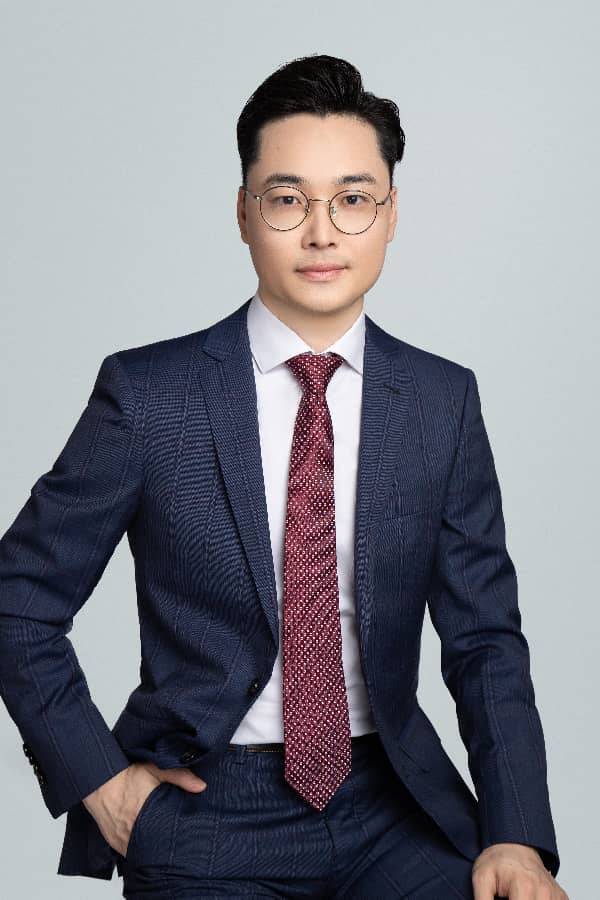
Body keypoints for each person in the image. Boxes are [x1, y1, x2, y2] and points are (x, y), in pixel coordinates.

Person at [0, 54, 567, 899]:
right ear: (243, 213)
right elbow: (18, 600)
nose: (322, 233)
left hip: (394, 803)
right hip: (208, 808)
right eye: (287, 199)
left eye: (353, 199)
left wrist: (517, 836)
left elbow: (484, 639)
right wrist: (103, 785)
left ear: (391, 213)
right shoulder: (149, 396)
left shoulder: (440, 402)